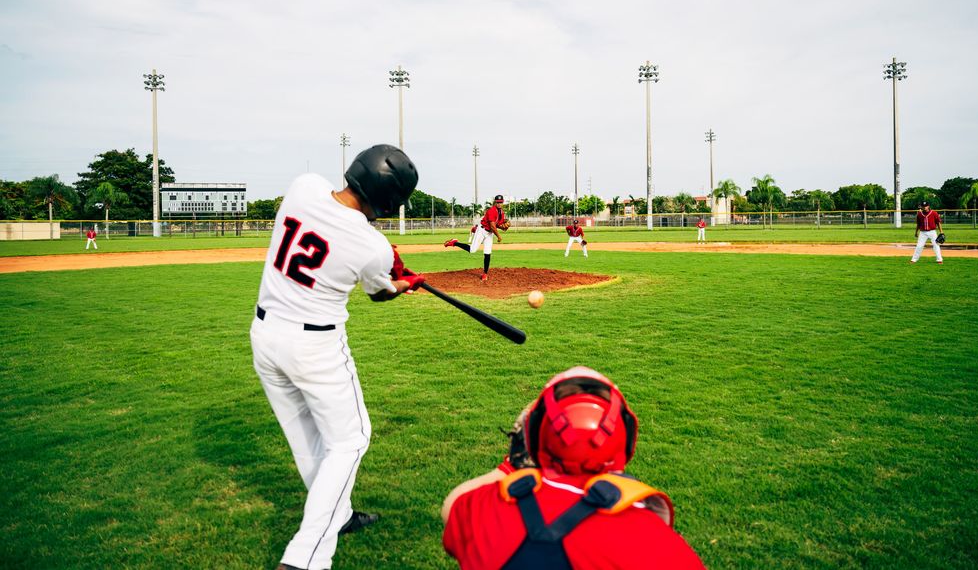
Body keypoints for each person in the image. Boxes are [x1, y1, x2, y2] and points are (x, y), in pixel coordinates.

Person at [251, 144, 425, 570]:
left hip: (265, 335)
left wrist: (386, 265)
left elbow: (342, 231)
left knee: (309, 440)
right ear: (388, 201)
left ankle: (339, 515)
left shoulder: (303, 187)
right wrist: (406, 281)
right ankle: (304, 559)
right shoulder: (373, 246)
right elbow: (380, 292)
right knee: (351, 440)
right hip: (316, 347)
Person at [442, 367, 706, 569]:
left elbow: (452, 505)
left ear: (534, 436)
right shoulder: (651, 538)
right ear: (624, 438)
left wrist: (514, 464)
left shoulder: (485, 509)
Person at [444, 194, 508, 282]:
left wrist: (503, 227)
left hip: (489, 233)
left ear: (503, 202)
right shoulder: (491, 211)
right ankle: (454, 242)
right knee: (472, 250)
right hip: (481, 231)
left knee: (487, 253)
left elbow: (497, 225)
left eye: (501, 202)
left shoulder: (501, 213)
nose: (499, 204)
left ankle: (485, 274)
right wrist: (499, 236)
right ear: (495, 202)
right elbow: (492, 226)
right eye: (498, 202)